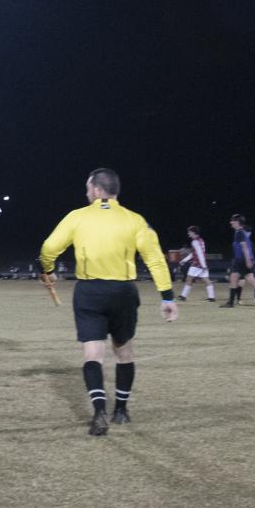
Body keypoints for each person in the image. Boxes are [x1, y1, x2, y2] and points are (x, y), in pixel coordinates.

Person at [37, 169, 178, 436]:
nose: (86, 192)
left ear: (98, 190)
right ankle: (121, 411)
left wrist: (47, 268)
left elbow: (49, 248)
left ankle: (99, 410)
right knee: (124, 353)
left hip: (89, 291)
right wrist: (167, 296)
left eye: (88, 188)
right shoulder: (135, 220)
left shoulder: (77, 217)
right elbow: (156, 259)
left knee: (93, 355)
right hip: (123, 291)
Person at [223, 214, 255, 308]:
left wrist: (247, 260)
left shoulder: (239, 233)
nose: (231, 222)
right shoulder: (240, 232)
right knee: (251, 280)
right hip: (244, 260)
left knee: (233, 278)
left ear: (238, 222)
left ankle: (230, 302)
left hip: (241, 261)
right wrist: (249, 260)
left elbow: (245, 248)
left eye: (233, 220)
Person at [180, 226, 217, 303]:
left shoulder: (195, 242)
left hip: (197, 264)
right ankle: (211, 297)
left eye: (189, 232)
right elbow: (197, 253)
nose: (188, 233)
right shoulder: (201, 240)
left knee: (189, 279)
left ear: (193, 232)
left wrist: (202, 265)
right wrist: (185, 260)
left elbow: (199, 254)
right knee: (206, 280)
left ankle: (183, 296)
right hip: (202, 264)